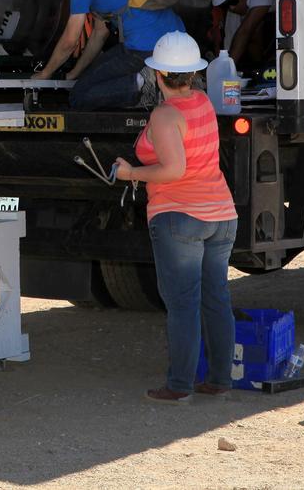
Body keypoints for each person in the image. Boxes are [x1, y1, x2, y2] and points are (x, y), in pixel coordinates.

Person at [111, 31, 238, 404]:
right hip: (220, 214)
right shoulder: (202, 101)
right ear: (192, 73)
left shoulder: (165, 115)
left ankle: (180, 385)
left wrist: (130, 173)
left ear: (159, 74)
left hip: (180, 216)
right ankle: (219, 380)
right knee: (216, 299)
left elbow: (172, 170)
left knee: (183, 304)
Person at [34, 0, 184, 109]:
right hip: (175, 40)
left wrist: (45, 73)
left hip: (146, 48)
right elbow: (99, 34)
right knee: (88, 83)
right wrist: (74, 74)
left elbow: (70, 41)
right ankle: (143, 80)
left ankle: (145, 84)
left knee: (78, 97)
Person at [204, 0, 276, 72]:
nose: (231, 8)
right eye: (226, 5)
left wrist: (224, 73)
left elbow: (245, 31)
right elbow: (230, 49)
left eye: (232, 2)